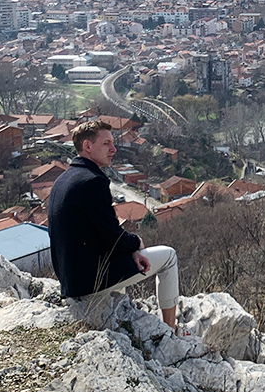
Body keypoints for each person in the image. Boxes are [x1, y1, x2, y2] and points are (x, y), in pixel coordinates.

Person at [48, 120, 180, 329]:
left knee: (128, 260)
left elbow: (101, 234)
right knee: (169, 257)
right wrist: (136, 242)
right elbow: (111, 235)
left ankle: (117, 320)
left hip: (71, 280)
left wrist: (131, 249)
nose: (114, 149)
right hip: (91, 281)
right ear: (87, 146)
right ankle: (171, 329)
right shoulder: (92, 181)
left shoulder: (63, 179)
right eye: (106, 143)